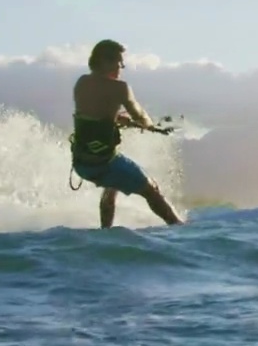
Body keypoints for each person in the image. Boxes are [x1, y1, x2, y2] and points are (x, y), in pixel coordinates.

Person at [71, 39, 183, 227]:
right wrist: (150, 125)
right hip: (104, 162)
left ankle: (105, 231)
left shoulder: (81, 83)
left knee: (111, 184)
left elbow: (95, 116)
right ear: (104, 62)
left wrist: (118, 120)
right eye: (118, 62)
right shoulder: (120, 88)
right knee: (151, 189)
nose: (121, 66)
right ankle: (178, 227)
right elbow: (140, 116)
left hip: (82, 164)